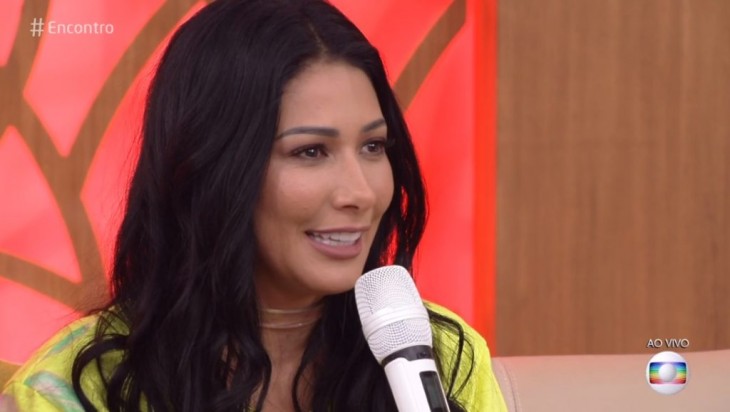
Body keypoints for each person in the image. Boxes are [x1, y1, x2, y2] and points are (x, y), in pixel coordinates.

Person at [0, 0, 507, 410]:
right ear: (211, 167)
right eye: (311, 151)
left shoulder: (441, 358)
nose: (361, 193)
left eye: (374, 146)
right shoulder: (83, 386)